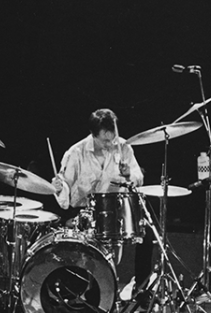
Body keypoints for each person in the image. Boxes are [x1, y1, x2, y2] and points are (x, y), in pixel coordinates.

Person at [52, 109, 152, 298]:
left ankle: (141, 290)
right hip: (83, 211)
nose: (110, 144)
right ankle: (80, 292)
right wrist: (58, 187)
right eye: (105, 141)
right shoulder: (76, 153)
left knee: (145, 236)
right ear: (93, 135)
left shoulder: (124, 147)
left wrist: (129, 174)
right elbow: (65, 190)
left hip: (114, 210)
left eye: (112, 139)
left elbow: (138, 177)